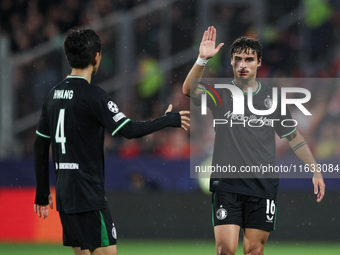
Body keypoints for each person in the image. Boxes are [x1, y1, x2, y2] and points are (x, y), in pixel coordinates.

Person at [33, 27, 190, 255]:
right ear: (97, 56)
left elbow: (40, 145)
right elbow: (128, 130)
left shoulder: (53, 95)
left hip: (65, 194)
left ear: (68, 57)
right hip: (89, 194)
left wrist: (41, 191)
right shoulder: (93, 95)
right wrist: (166, 121)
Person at [182, 26, 325, 255]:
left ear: (259, 62)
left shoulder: (273, 100)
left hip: (262, 184)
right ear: (231, 62)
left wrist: (315, 170)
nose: (242, 65)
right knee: (225, 250)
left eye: (249, 59)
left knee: (254, 251)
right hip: (227, 183)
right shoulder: (222, 93)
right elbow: (189, 90)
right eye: (238, 59)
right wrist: (201, 59)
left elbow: (294, 137)